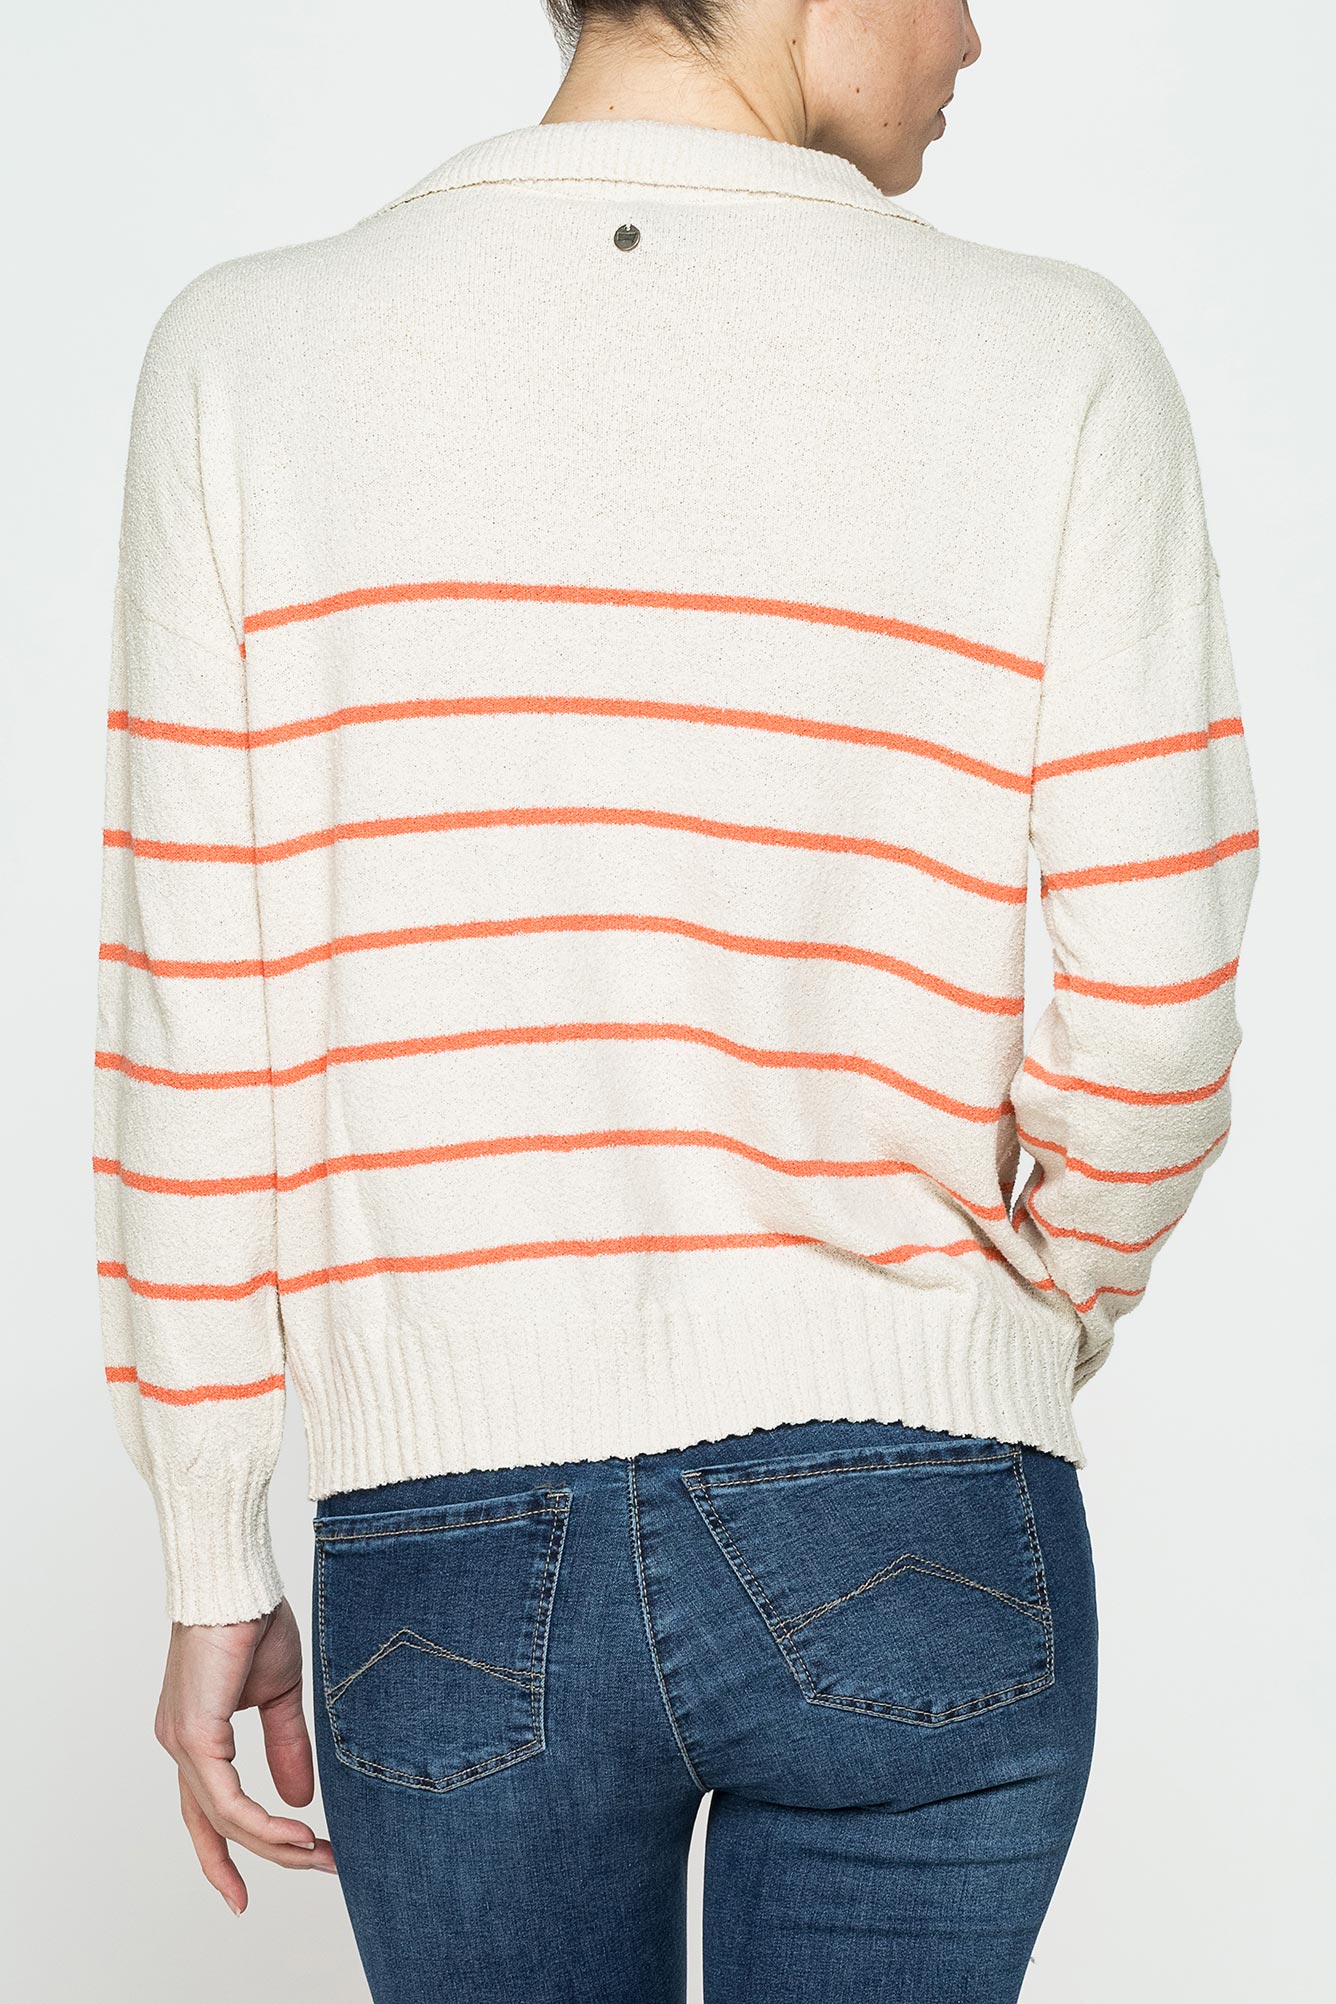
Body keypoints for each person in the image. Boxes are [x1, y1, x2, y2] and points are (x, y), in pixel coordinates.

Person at [93, 2, 1259, 1998]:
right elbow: (1157, 1002)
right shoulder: (1057, 359)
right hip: (917, 1506)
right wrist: (1004, 1329)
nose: (974, 32)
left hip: (441, 1545)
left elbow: (199, 1023)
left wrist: (213, 1551)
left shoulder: (246, 356)